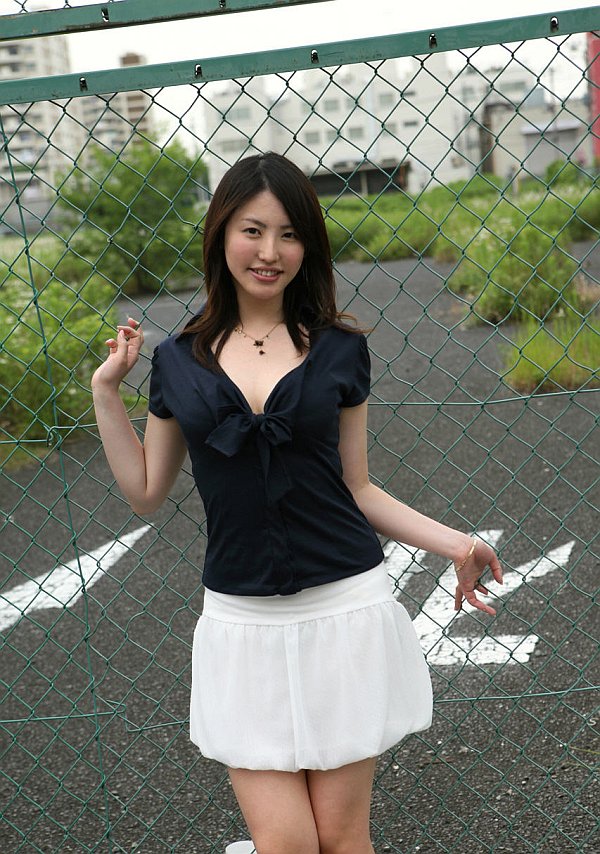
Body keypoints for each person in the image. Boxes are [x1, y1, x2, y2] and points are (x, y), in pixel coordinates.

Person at [91, 152, 503, 854]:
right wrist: (107, 391)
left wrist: (458, 545)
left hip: (344, 610)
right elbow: (145, 492)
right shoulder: (179, 360)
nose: (270, 252)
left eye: (289, 234)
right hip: (241, 620)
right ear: (222, 234)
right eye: (253, 231)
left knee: (341, 838)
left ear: (307, 246)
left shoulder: (340, 348)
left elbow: (358, 487)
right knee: (284, 842)